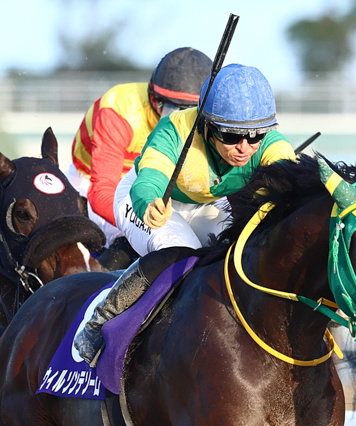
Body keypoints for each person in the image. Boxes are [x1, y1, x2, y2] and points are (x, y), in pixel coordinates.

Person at [74, 63, 296, 366]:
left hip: (204, 204)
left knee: (234, 252)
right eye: (231, 136)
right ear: (206, 124)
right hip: (144, 198)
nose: (244, 147)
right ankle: (101, 320)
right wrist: (149, 203)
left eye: (256, 135)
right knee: (182, 253)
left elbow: (287, 192)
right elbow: (148, 181)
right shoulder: (175, 130)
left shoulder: (272, 146)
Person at [66, 47, 212, 248]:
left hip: (153, 183)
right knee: (127, 243)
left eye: (193, 113)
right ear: (154, 99)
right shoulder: (118, 111)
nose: (182, 120)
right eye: (175, 110)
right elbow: (102, 192)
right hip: (93, 184)